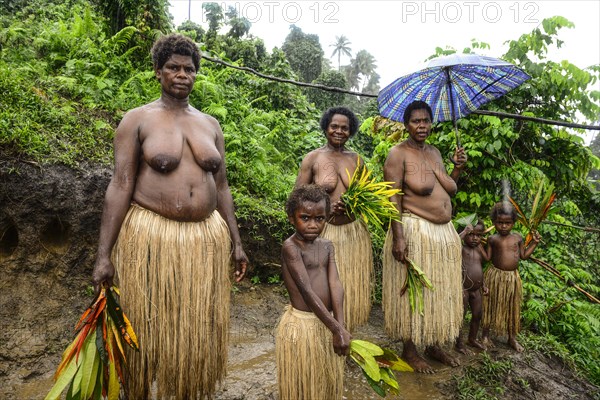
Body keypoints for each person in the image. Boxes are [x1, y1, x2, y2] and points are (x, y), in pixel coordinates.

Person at [90, 33, 248, 399]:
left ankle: (187, 390)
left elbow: (222, 187)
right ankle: (139, 390)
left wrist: (237, 242)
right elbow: (120, 185)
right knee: (145, 325)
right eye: (174, 68)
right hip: (151, 235)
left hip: (204, 240)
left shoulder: (210, 124)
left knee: (194, 330)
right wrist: (103, 255)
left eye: (189, 69)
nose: (182, 74)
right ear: (158, 71)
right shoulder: (137, 120)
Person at [382, 100, 467, 373]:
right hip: (414, 230)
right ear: (406, 124)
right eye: (416, 121)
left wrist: (457, 167)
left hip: (442, 235)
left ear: (432, 123)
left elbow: (449, 188)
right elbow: (392, 197)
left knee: (438, 290)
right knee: (412, 292)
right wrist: (399, 237)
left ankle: (432, 344)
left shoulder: (435, 152)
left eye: (426, 120)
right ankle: (410, 350)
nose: (422, 125)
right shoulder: (397, 154)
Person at [295, 106, 373, 332]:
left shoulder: (357, 160)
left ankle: (347, 334)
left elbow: (369, 198)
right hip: (323, 234)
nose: (339, 131)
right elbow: (297, 199)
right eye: (334, 127)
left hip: (353, 233)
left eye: (345, 128)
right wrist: (325, 208)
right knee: (323, 286)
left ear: (351, 131)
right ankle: (325, 332)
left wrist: (353, 204)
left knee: (350, 287)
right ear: (326, 128)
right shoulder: (313, 158)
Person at [276, 184, 351, 400]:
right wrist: (336, 329)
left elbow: (335, 284)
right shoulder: (291, 247)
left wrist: (341, 324)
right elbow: (306, 290)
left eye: (319, 219)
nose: (313, 225)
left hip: (326, 322)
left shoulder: (327, 246)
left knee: (325, 382)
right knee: (302, 384)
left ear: (327, 218)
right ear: (292, 218)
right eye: (305, 218)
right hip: (303, 323)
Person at [481, 202, 540, 352]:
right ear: (494, 223)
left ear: (513, 223)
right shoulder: (492, 239)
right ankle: (485, 336)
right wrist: (476, 244)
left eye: (508, 223)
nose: (504, 226)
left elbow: (524, 255)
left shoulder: (518, 238)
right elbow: (487, 258)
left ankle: (512, 338)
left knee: (512, 307)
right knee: (489, 305)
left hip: (512, 279)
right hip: (495, 276)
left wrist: (534, 243)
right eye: (500, 223)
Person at [455, 219, 490, 353]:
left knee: (477, 314)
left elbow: (479, 268)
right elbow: (453, 242)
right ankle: (459, 343)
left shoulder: (480, 250)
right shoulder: (461, 248)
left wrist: (484, 285)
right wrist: (465, 232)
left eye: (478, 235)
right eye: (471, 234)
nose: (475, 238)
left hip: (476, 289)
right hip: (463, 288)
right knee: (461, 315)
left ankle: (472, 339)